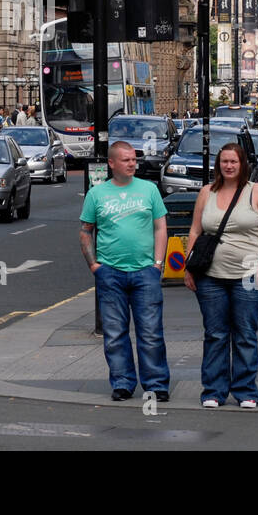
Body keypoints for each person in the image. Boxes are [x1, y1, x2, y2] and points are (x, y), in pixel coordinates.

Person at [183, 143, 258, 408]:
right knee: (215, 334)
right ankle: (213, 390)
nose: (229, 166)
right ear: (218, 165)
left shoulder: (256, 192)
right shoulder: (206, 193)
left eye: (234, 161)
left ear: (242, 164)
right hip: (210, 276)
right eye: (224, 161)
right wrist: (188, 268)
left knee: (245, 333)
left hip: (248, 275)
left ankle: (246, 390)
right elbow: (194, 231)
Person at [80, 141, 170, 402]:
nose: (133, 163)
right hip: (110, 273)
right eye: (126, 160)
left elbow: (160, 227)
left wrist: (158, 264)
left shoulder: (149, 190)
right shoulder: (97, 194)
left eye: (134, 159)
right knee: (115, 334)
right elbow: (86, 231)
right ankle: (122, 383)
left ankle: (156, 385)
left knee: (151, 332)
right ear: (111, 163)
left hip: (145, 272)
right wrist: (94, 266)